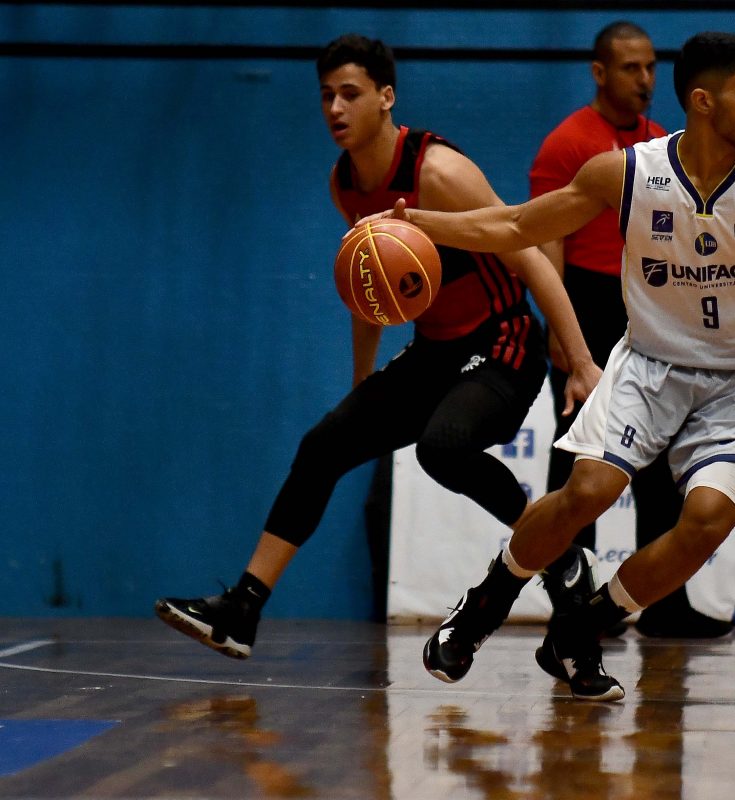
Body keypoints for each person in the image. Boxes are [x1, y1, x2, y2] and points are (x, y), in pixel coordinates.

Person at [373, 31, 735, 700]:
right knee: (587, 490)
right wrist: (418, 224)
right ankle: (484, 604)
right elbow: (516, 226)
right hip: (651, 365)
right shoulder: (626, 172)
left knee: (706, 520)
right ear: (704, 102)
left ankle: (582, 626)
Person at [154, 34, 601, 659]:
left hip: (504, 342)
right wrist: (362, 387)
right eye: (326, 96)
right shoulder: (344, 183)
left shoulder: (438, 173)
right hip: (436, 350)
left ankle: (559, 553)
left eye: (350, 94)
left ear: (386, 97)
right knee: (323, 445)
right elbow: (370, 294)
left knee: (443, 448)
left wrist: (579, 361)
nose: (335, 108)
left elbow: (528, 257)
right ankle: (242, 609)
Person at [531, 21, 730, 638]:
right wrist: (565, 340)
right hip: (585, 308)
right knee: (581, 469)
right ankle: (573, 605)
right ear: (599, 72)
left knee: (666, 461)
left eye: (650, 67)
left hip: (647, 309)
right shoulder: (566, 144)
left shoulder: (659, 141)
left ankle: (663, 603)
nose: (645, 79)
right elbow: (546, 247)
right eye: (629, 68)